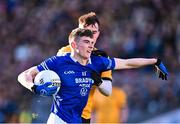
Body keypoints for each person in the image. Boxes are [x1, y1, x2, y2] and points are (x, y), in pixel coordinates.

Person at [17, 28, 168, 123]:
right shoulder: (58, 62)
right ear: (74, 46)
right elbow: (24, 75)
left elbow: (127, 63)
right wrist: (34, 87)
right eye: (86, 42)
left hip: (79, 121)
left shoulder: (97, 63)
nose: (90, 45)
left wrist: (154, 61)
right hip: (59, 120)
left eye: (91, 42)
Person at [57, 12, 112, 123]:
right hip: (63, 113)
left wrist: (98, 80)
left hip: (83, 116)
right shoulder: (64, 52)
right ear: (78, 31)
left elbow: (108, 91)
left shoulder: (102, 59)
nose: (89, 35)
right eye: (85, 31)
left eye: (94, 32)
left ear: (98, 34)